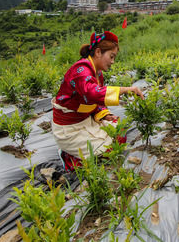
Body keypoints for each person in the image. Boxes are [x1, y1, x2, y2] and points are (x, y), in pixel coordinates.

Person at [52, 30, 144, 170]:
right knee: (108, 151)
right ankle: (69, 156)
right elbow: (92, 94)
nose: (112, 62)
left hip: (86, 122)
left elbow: (96, 102)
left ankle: (80, 149)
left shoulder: (97, 73)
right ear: (98, 52)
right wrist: (126, 90)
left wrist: (105, 114)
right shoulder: (81, 70)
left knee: (119, 133)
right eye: (111, 56)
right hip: (70, 129)